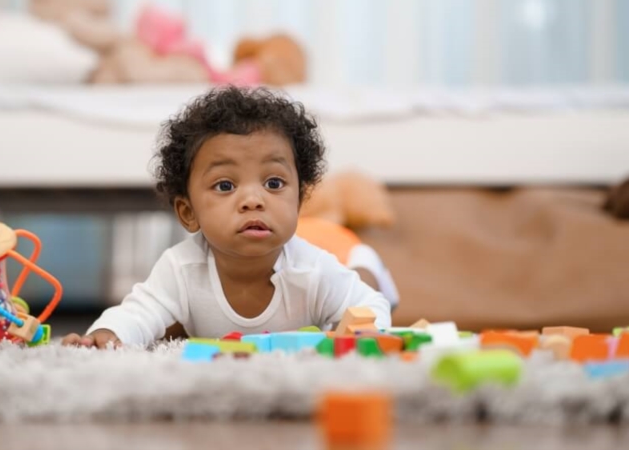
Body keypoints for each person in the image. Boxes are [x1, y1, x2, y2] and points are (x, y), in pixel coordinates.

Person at [62, 85, 392, 349]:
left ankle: (368, 260)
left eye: (273, 183)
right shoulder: (181, 269)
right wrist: (105, 335)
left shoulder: (314, 270)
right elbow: (138, 312)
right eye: (225, 185)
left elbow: (368, 305)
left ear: (300, 199)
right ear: (188, 213)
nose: (252, 200)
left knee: (362, 275)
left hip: (334, 245)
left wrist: (367, 331)